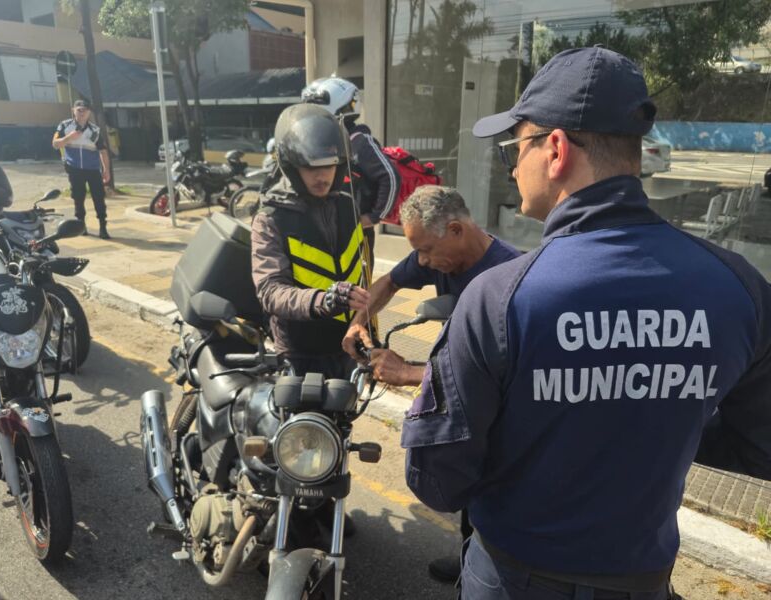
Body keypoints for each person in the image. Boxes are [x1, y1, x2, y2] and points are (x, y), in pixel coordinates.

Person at [401, 46, 771, 600]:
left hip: (512, 579)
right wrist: (657, 413)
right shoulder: (738, 287)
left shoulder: (499, 299)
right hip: (642, 580)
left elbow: (435, 479)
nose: (512, 168)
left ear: (554, 149)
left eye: (514, 148)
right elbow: (761, 445)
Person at [341, 184, 520, 582]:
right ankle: (470, 556)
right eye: (417, 251)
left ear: (455, 230)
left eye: (425, 250)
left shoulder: (509, 277)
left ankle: (488, 572)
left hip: (499, 407)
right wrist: (358, 322)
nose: (421, 261)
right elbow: (389, 282)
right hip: (464, 399)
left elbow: (498, 375)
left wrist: (407, 372)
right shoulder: (440, 258)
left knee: (493, 489)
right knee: (469, 483)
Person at [251, 103, 370, 380]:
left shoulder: (348, 205)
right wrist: (324, 299)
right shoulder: (270, 218)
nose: (322, 176)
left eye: (329, 165)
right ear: (291, 167)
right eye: (309, 167)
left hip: (348, 342)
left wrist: (367, 326)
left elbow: (363, 270)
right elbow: (270, 290)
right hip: (300, 351)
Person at [301, 77, 400, 254]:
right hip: (324, 228)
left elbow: (390, 177)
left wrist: (374, 217)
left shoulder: (359, 142)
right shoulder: (316, 142)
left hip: (356, 231)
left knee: (358, 272)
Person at [52, 99, 111, 239]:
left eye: (85, 110)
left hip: (93, 169)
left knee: (99, 198)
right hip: (74, 169)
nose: (82, 113)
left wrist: (106, 170)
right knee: (78, 198)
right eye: (79, 110)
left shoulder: (95, 130)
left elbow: (103, 151)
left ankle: (103, 227)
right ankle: (81, 226)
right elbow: (55, 144)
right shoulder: (65, 126)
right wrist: (68, 138)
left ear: (89, 113)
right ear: (73, 110)